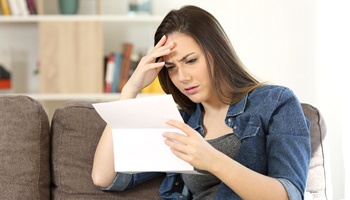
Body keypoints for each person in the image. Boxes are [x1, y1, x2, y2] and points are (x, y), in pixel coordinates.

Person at [92, 5, 311, 200]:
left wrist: (212, 159)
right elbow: (104, 177)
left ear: (217, 52)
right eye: (171, 68)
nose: (182, 77)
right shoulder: (180, 122)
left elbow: (288, 194)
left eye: (191, 60)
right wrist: (130, 90)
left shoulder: (275, 102)